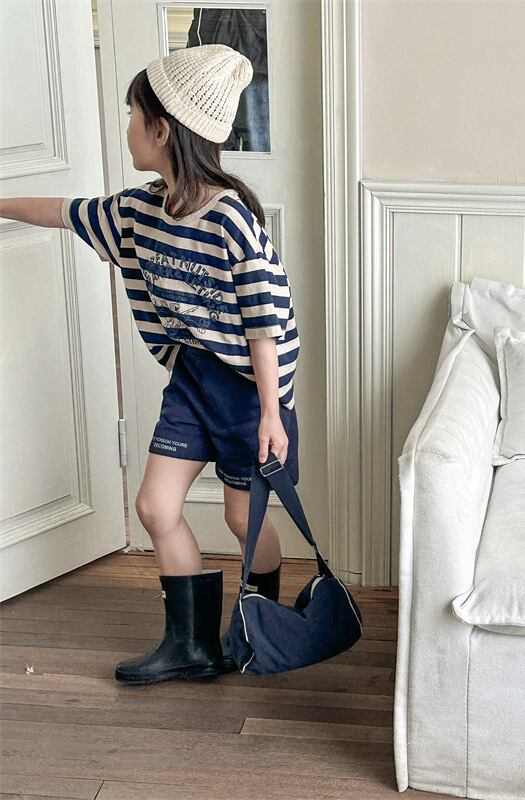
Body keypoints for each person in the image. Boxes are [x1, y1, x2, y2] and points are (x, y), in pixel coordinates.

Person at [0, 44, 300, 685]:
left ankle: (262, 626)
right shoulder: (139, 211)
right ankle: (191, 645)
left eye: (132, 113)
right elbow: (63, 212)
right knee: (156, 506)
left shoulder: (231, 220)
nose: (127, 126)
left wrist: (272, 413)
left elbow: (264, 323)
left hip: (249, 391)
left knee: (243, 519)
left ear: (161, 129)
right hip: (192, 382)